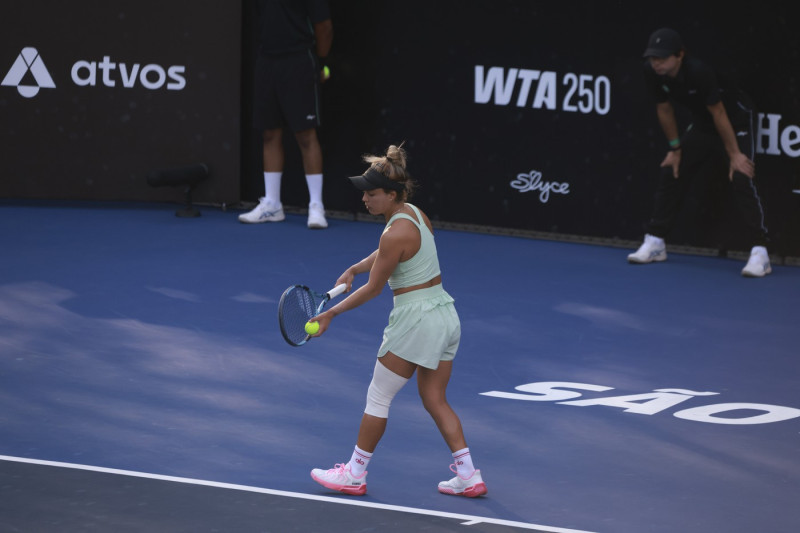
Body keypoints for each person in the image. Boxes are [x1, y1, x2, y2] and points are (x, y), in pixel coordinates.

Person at [306, 144, 487, 498]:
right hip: (446, 316)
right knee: (435, 398)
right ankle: (468, 474)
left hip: (416, 320)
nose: (365, 200)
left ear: (391, 194)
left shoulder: (393, 233)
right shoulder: (413, 215)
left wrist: (330, 313)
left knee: (378, 397)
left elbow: (375, 289)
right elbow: (385, 253)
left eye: (372, 194)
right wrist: (355, 268)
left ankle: (355, 474)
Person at [628, 28, 772, 277]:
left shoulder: (698, 72)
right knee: (672, 168)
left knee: (740, 174)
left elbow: (719, 113)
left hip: (734, 120)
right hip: (704, 124)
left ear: (680, 55)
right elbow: (664, 109)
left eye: (662, 57)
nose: (656, 63)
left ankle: (760, 252)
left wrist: (735, 154)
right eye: (653, 57)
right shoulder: (651, 72)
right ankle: (656, 242)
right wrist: (675, 148)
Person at [239, 0, 333, 229]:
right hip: (266, 61)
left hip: (299, 60)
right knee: (269, 133)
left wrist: (321, 63)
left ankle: (316, 206)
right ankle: (272, 204)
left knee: (305, 135)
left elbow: (324, 27)